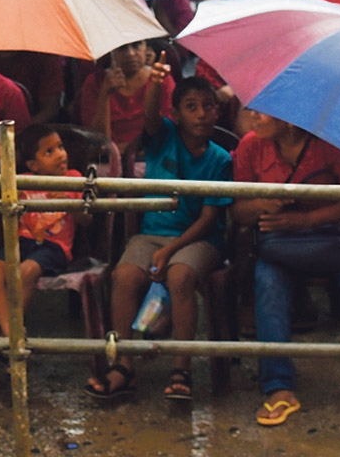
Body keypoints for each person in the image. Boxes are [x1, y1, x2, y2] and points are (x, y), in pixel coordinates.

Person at [233, 112, 340, 426]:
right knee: (267, 282)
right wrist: (260, 204)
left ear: (288, 117)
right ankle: (279, 386)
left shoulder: (334, 144)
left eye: (263, 109)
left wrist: (307, 219)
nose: (252, 115)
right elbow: (238, 212)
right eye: (251, 107)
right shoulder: (250, 147)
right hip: (282, 244)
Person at [85, 65, 232, 402]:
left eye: (208, 106)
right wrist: (155, 83)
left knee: (180, 277)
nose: (201, 114)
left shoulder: (220, 159)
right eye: (191, 107)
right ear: (175, 114)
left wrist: (169, 251)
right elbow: (150, 117)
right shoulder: (162, 136)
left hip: (199, 239)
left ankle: (181, 368)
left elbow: (210, 218)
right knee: (123, 276)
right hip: (152, 233)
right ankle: (123, 365)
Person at [0, 124, 87, 337]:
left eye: (60, 147)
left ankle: (10, 336)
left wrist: (70, 203)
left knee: (26, 271)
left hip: (54, 247)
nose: (60, 154)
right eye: (49, 152)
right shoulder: (22, 181)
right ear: (33, 165)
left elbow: (87, 220)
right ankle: (10, 333)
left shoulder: (74, 179)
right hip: (21, 242)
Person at [79, 40, 174, 155]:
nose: (131, 54)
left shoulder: (161, 79)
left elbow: (169, 130)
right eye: (122, 48)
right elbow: (98, 143)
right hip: (109, 159)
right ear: (111, 52)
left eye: (136, 45)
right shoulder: (95, 82)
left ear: (147, 49)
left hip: (151, 156)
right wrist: (105, 94)